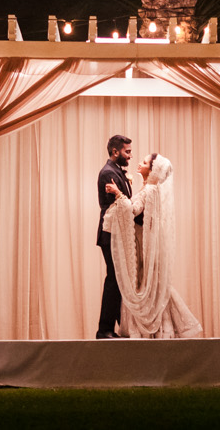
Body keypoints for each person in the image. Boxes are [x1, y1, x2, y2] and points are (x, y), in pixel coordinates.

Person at [101, 151, 204, 339]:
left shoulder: (150, 190)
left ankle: (154, 328)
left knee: (144, 286)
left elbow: (133, 210)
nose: (139, 163)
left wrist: (118, 194)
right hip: (143, 243)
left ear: (153, 169)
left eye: (145, 162)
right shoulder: (151, 189)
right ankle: (158, 328)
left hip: (142, 246)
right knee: (151, 286)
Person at [95, 134, 136, 338]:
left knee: (118, 280)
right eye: (127, 151)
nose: (130, 155)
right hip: (111, 234)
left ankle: (119, 326)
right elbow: (118, 207)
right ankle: (104, 330)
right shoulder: (107, 173)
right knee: (113, 279)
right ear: (115, 152)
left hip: (119, 234)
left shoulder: (117, 171)